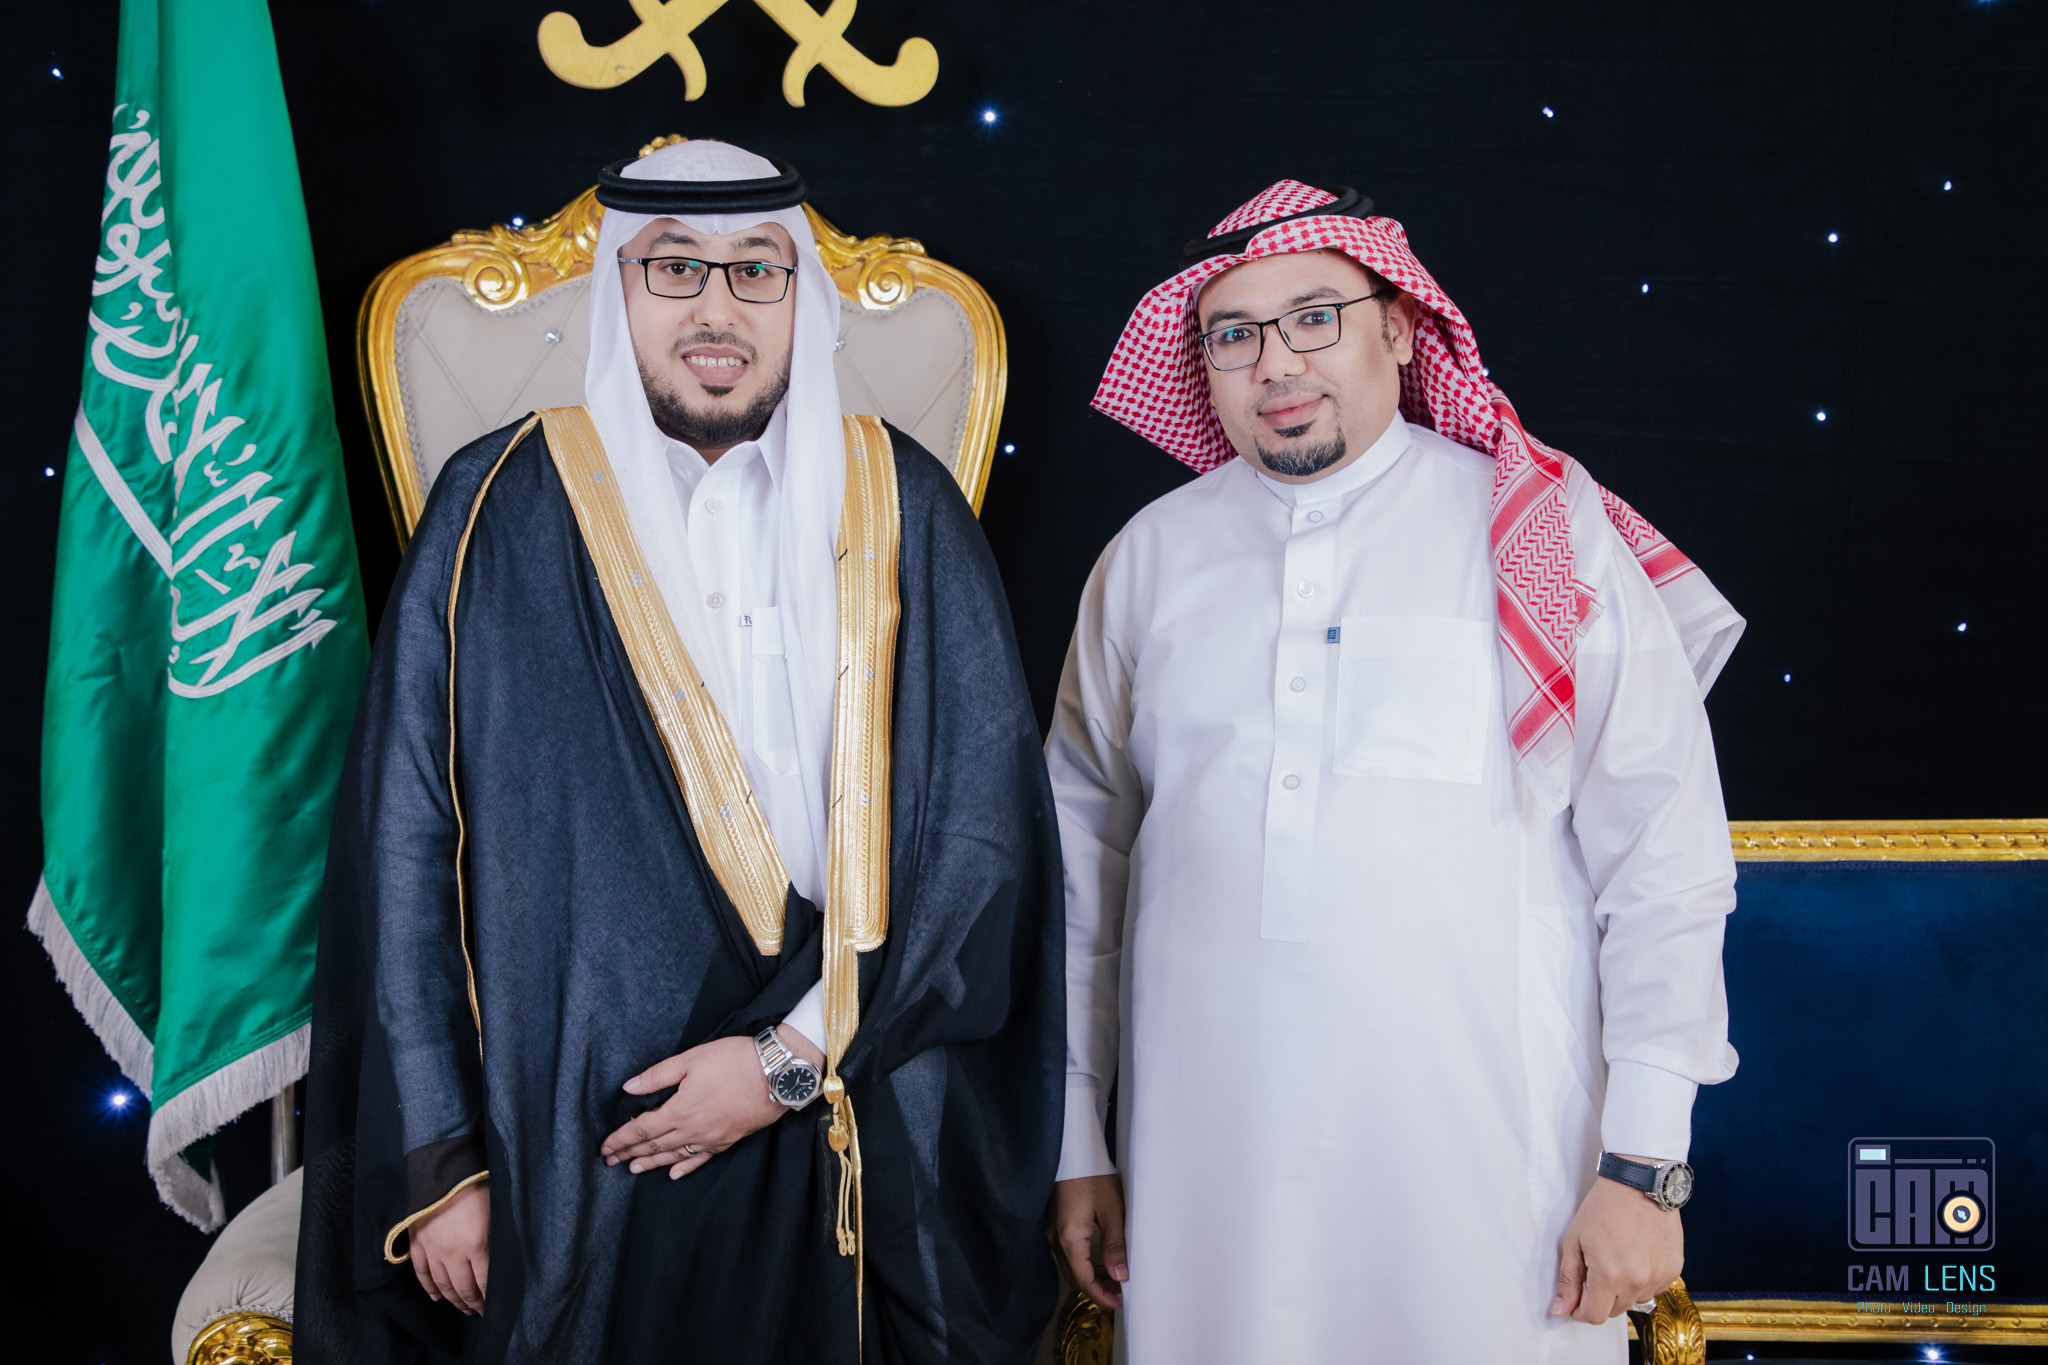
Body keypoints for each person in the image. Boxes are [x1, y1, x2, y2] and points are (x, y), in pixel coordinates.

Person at [296, 140, 1063, 1364]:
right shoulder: (493, 504)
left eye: (756, 268)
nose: (717, 308)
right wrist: (440, 1162)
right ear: (617, 288)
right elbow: (404, 843)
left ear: (799, 294)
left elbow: (981, 833)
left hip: (852, 1091)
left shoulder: (902, 502)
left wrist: (791, 1058)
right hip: (564, 1135)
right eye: (673, 268)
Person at [1046, 181, 1745, 1362]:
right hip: (1204, 1172)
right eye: (1233, 335)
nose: (1276, 362)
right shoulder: (1148, 559)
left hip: (1495, 1174)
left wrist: (1643, 1163)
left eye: (1314, 316)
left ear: (1401, 328)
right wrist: (1077, 1144)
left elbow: (1662, 860)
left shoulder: (1540, 531)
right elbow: (1078, 879)